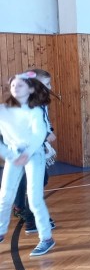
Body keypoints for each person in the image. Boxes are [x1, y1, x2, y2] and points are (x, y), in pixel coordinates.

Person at [0, 72, 55, 256]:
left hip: (34, 154)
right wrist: (9, 154)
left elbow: (39, 134)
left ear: (30, 89)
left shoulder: (35, 110)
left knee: (34, 197)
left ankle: (46, 238)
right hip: (12, 155)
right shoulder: (3, 110)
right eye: (13, 85)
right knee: (5, 196)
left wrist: (27, 153)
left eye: (20, 85)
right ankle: (0, 231)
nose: (16, 88)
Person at [11, 68, 57, 236]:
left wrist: (48, 130)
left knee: (39, 180)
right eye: (46, 84)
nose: (49, 87)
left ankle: (25, 210)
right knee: (35, 182)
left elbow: (44, 121)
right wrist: (45, 134)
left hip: (36, 147)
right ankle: (31, 220)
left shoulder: (41, 102)